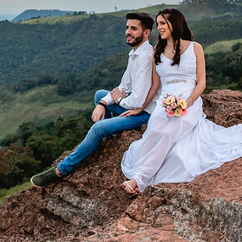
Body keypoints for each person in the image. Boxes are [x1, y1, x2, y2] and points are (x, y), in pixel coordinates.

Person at [120, 8, 242, 195]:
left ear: (175, 23)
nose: (159, 27)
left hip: (188, 102)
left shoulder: (194, 48)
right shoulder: (157, 51)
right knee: (155, 131)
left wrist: (187, 103)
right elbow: (156, 85)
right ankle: (142, 177)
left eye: (163, 23)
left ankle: (138, 179)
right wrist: (140, 108)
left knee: (167, 135)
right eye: (158, 24)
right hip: (165, 102)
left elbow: (202, 82)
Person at [30, 12, 155, 186]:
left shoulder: (145, 58)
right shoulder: (134, 54)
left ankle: (60, 171)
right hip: (131, 106)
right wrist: (104, 103)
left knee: (97, 128)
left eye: (134, 29)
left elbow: (138, 102)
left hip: (144, 114)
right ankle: (107, 134)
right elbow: (122, 87)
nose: (128, 32)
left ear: (146, 33)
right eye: (127, 27)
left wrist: (117, 101)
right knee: (99, 94)